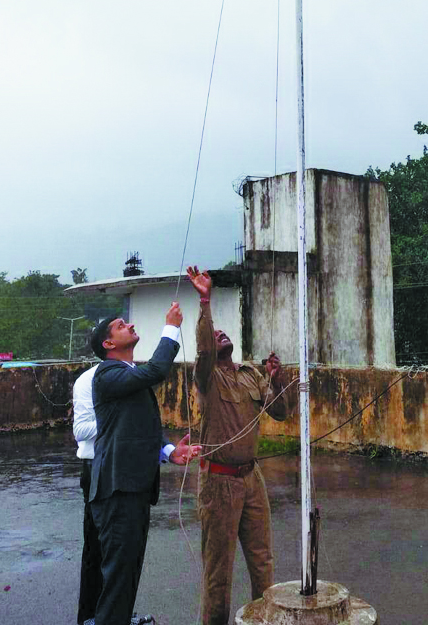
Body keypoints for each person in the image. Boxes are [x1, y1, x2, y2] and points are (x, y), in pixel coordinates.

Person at [187, 265, 293, 625]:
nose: (221, 335)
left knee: (262, 561)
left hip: (252, 479)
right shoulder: (207, 379)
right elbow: (202, 351)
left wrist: (278, 380)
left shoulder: (250, 374)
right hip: (219, 482)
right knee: (219, 570)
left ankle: (261, 620)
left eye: (223, 332)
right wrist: (205, 301)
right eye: (215, 335)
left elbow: (280, 412)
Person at [87, 304, 200, 625]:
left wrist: (168, 451)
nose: (130, 324)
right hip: (116, 490)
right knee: (119, 575)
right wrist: (171, 328)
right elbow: (157, 371)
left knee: (129, 570)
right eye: (122, 325)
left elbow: (136, 428)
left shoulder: (127, 378)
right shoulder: (108, 374)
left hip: (130, 487)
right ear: (108, 344)